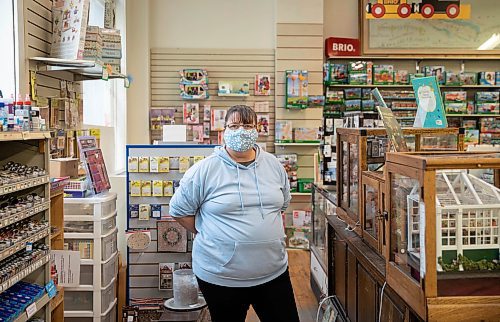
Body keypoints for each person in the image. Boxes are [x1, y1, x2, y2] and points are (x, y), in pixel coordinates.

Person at [169, 105, 299, 322]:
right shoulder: (204, 170)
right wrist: (207, 232)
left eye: (248, 126)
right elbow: (179, 211)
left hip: (273, 272)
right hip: (221, 277)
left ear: (258, 129)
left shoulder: (274, 165)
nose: (241, 131)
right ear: (224, 130)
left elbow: (282, 204)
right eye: (234, 125)